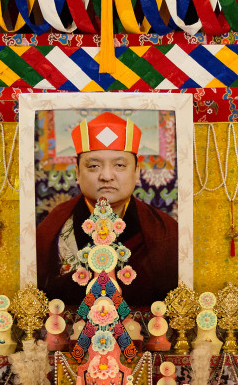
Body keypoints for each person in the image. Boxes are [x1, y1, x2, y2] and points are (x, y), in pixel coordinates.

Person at [36, 112, 178, 307]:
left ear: (137, 173)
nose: (106, 176)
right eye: (93, 166)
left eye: (119, 165)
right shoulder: (55, 227)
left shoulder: (164, 230)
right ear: (77, 173)